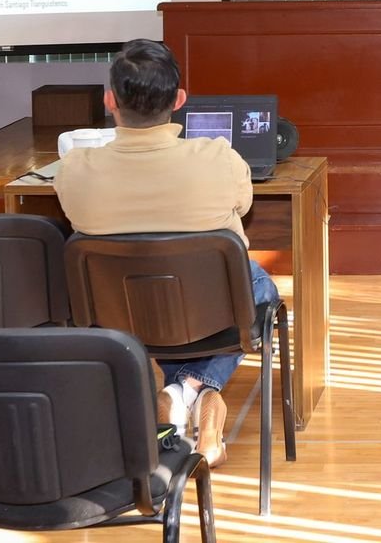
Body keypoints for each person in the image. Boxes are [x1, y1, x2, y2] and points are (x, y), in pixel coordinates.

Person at [54, 38, 274, 469]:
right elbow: (244, 205)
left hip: (119, 313)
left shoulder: (75, 169)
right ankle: (196, 390)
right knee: (257, 284)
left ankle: (176, 393)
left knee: (172, 293)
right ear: (179, 100)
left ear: (110, 100)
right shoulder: (218, 157)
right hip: (210, 311)